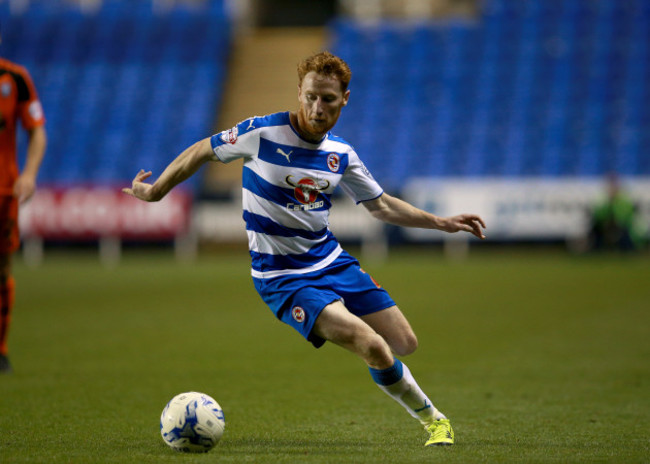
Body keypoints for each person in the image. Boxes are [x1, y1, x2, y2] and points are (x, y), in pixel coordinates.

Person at [123, 51, 486, 446]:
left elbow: (380, 205)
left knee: (405, 344)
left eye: (328, 99)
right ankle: (435, 422)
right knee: (373, 346)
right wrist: (157, 191)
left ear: (345, 99)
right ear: (299, 91)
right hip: (282, 277)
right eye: (311, 96)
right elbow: (202, 150)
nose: (317, 108)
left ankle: (406, 388)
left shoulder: (341, 154)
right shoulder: (260, 134)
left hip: (331, 260)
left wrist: (440, 222)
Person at [0, 41, 47, 373]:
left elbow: (37, 131)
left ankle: (0, 349)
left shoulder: (15, 78)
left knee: (2, 271)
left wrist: (29, 174)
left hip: (4, 191)